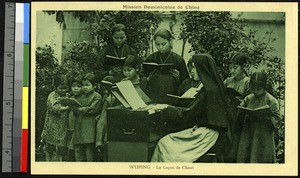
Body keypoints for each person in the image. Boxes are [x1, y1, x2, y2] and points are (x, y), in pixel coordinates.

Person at [150, 54, 234, 162]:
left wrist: (166, 108)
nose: (191, 70)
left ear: (202, 69)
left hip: (205, 135)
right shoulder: (212, 88)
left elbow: (188, 114)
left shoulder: (209, 91)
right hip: (205, 131)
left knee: (164, 143)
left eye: (194, 67)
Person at [236, 72, 281, 163]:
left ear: (264, 87)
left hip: (264, 136)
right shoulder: (248, 99)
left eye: (258, 89)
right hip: (248, 134)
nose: (255, 91)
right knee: (245, 157)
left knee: (262, 159)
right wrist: (242, 113)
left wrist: (267, 117)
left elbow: (277, 121)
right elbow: (239, 114)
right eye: (253, 89)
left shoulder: (271, 100)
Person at [145, 28, 189, 103]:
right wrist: (148, 79)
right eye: (157, 44)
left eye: (163, 44)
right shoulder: (150, 58)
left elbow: (186, 81)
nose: (160, 47)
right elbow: (142, 77)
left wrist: (178, 78)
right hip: (154, 96)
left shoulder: (178, 60)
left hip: (172, 96)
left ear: (170, 41)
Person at [73, 73, 102, 162]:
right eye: (83, 85)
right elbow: (76, 110)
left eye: (87, 85)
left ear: (94, 85)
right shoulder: (81, 96)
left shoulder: (97, 96)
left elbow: (93, 109)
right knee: (78, 149)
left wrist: (79, 109)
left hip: (90, 126)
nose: (84, 87)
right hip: (79, 125)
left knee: (89, 150)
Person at [40, 74, 70, 161]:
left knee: (61, 145)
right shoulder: (52, 95)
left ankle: (60, 161)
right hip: (52, 123)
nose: (64, 90)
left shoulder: (67, 95)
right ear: (56, 87)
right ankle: (48, 161)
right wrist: (66, 108)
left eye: (65, 88)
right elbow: (53, 108)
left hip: (63, 124)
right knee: (50, 145)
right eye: (61, 88)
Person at [65, 76, 83, 161]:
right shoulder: (71, 98)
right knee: (70, 146)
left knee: (77, 148)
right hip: (71, 125)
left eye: (79, 86)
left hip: (80, 125)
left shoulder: (84, 98)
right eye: (73, 86)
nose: (75, 89)